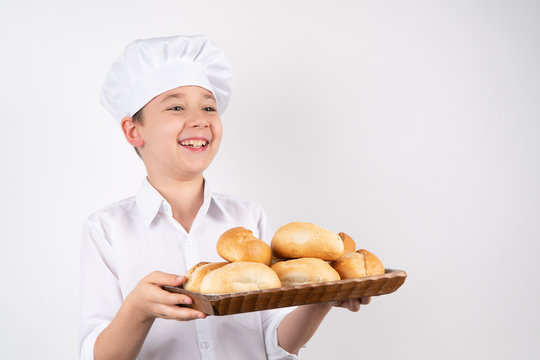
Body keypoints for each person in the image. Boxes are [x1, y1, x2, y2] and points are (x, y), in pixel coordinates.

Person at [79, 35, 370, 360]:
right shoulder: (106, 230)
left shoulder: (248, 217)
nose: (200, 119)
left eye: (209, 107)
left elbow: (275, 343)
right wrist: (138, 310)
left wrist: (323, 298)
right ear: (134, 130)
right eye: (176, 107)